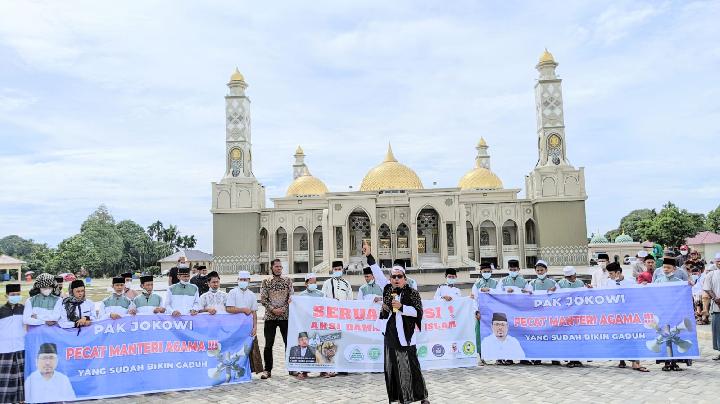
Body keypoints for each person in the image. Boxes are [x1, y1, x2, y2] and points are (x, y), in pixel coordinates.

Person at [379, 259, 428, 403]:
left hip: (406, 336)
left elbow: (418, 312)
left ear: (405, 279)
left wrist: (401, 307)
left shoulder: (412, 293)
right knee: (392, 367)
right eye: (393, 277)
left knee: (411, 367)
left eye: (399, 276)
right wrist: (385, 308)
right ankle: (398, 398)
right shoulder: (388, 291)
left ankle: (422, 397)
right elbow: (378, 274)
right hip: (390, 335)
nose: (396, 279)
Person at [602, 262, 649, 372]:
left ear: (618, 272)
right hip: (614, 316)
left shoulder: (630, 282)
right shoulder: (608, 283)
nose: (610, 276)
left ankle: (635, 363)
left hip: (629, 316)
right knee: (618, 338)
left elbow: (637, 295)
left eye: (611, 273)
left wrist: (643, 287)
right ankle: (621, 359)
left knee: (632, 338)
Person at [259, 259, 293, 380]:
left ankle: (292, 368)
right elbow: (263, 299)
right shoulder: (266, 282)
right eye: (276, 266)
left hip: (285, 317)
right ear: (272, 268)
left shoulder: (288, 281)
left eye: (280, 267)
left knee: (288, 343)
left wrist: (284, 308)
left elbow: (291, 297)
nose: (279, 268)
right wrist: (273, 309)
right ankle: (267, 370)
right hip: (270, 317)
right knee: (268, 344)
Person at [654, 257, 689, 371]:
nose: (666, 269)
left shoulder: (679, 282)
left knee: (675, 335)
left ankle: (674, 361)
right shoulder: (658, 281)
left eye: (668, 267)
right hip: (663, 313)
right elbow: (653, 294)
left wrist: (689, 285)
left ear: (674, 268)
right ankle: (666, 361)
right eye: (664, 267)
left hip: (675, 313)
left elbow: (684, 296)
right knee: (665, 336)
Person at [226, 270, 261, 374]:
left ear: (249, 280)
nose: (243, 281)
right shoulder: (233, 292)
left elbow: (254, 312)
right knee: (236, 350)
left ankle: (248, 371)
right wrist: (243, 310)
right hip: (235, 327)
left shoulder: (252, 295)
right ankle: (234, 371)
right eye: (241, 279)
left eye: (245, 280)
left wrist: (255, 327)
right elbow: (229, 308)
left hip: (248, 327)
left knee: (249, 349)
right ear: (238, 280)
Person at [0, 284, 25, 403]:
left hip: (21, 347)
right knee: (5, 378)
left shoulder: (24, 309)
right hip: (4, 348)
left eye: (18, 294)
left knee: (21, 376)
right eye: (13, 295)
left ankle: (21, 400)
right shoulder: (1, 310)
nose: (16, 296)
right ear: (6, 295)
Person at [556, 267, 584, 368]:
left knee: (577, 337)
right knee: (568, 337)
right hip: (566, 315)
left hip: (578, 314)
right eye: (568, 277)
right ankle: (570, 359)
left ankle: (577, 359)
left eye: (571, 277)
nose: (570, 279)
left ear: (575, 275)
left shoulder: (580, 283)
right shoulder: (560, 284)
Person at [471, 262, 497, 365]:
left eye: (488, 271)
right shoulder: (477, 284)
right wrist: (476, 311)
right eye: (484, 271)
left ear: (491, 272)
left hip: (493, 312)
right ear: (481, 272)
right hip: (481, 313)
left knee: (493, 333)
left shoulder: (496, 283)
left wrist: (489, 290)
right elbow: (474, 299)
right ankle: (481, 356)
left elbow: (499, 295)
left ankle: (496, 356)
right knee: (480, 334)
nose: (486, 273)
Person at [703, 255, 720, 361]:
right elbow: (707, 288)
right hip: (717, 307)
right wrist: (716, 299)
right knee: (718, 330)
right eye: (718, 261)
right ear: (715, 262)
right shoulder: (711, 274)